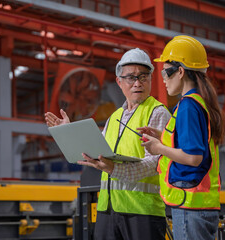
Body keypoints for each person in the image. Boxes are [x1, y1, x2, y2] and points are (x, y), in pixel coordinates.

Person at [45, 48, 171, 240]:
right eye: (131, 78)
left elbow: (156, 163)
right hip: (108, 209)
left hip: (143, 211)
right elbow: (95, 151)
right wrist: (69, 132)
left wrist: (114, 169)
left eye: (143, 77)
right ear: (119, 82)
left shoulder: (158, 113)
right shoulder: (114, 118)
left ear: (151, 80)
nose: (137, 83)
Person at [138, 35, 224, 240]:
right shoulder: (198, 102)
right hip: (197, 204)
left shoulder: (188, 106)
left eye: (165, 72)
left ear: (181, 72)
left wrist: (158, 148)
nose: (163, 79)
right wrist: (160, 136)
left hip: (190, 205)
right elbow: (191, 144)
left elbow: (193, 157)